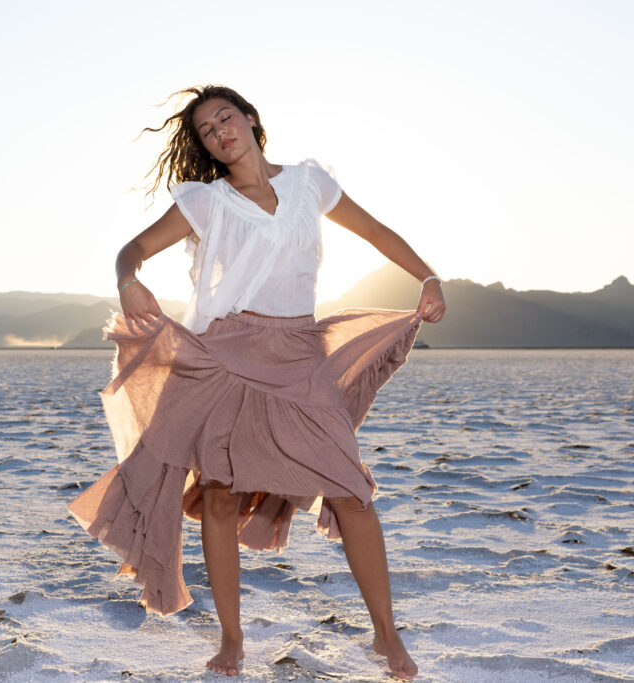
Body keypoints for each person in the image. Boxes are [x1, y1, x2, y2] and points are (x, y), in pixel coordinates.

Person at [68, 84, 445, 680]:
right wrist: (127, 282)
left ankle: (386, 635)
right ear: (207, 148)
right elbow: (131, 250)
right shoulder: (206, 201)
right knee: (218, 493)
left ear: (250, 119)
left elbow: (374, 233)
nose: (220, 130)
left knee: (349, 489)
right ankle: (232, 640)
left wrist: (426, 276)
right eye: (207, 129)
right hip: (227, 351)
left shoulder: (308, 183)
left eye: (226, 116)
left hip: (300, 352)